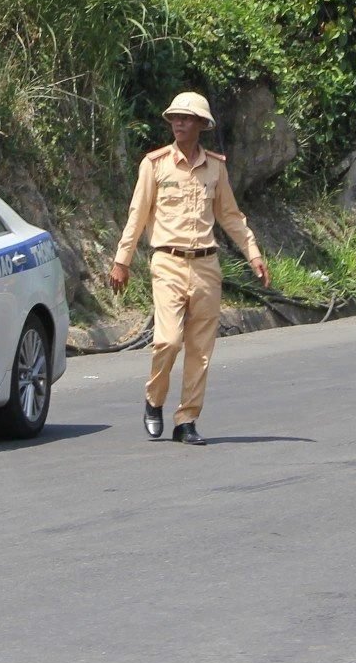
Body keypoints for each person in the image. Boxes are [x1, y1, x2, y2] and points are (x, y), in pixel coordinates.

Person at [108, 91, 269, 446]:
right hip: (167, 262)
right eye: (175, 118)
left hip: (207, 265)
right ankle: (154, 399)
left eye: (186, 118)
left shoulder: (215, 167)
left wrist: (253, 253)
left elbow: (230, 215)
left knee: (200, 349)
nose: (179, 123)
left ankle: (187, 420)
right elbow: (138, 215)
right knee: (167, 340)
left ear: (200, 125)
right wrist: (122, 260)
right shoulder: (155, 164)